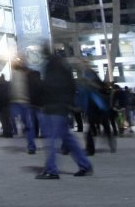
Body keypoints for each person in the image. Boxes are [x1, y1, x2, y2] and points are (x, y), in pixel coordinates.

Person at [35, 46, 92, 179]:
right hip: (62, 108)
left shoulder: (51, 68)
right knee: (68, 139)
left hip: (53, 108)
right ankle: (85, 165)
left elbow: (48, 88)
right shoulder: (64, 68)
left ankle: (51, 170)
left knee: (50, 140)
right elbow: (72, 87)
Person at [9, 57, 39, 154]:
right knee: (22, 123)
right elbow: (12, 88)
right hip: (15, 102)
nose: (19, 62)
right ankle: (26, 138)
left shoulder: (28, 73)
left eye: (21, 61)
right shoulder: (14, 74)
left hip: (26, 103)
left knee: (28, 125)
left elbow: (33, 87)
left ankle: (31, 146)